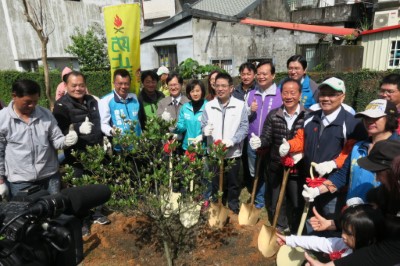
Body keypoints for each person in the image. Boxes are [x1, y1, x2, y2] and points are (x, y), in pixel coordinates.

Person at [280, 77, 367, 229]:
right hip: (310, 182)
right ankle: (310, 249)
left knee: (329, 221)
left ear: (343, 96)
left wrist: (332, 164)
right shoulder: (310, 117)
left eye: (332, 94)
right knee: (310, 219)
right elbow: (301, 140)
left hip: (333, 186)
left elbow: (351, 153)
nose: (326, 98)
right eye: (323, 94)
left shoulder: (352, 124)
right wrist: (289, 145)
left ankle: (328, 251)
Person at [305, 139, 400, 266]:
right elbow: (371, 218)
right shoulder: (382, 193)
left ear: (393, 172)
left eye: (379, 172)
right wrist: (334, 223)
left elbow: (390, 249)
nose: (376, 178)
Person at [303, 99, 399, 203]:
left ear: (390, 118)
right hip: (353, 212)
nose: (369, 120)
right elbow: (342, 176)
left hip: (383, 215)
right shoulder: (357, 147)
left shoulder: (397, 150)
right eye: (366, 117)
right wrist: (317, 191)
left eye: (375, 117)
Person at [0, 79, 78, 199]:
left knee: (54, 213)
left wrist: (66, 141)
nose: (32, 105)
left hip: (49, 177)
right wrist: (0, 181)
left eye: (35, 101)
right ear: (14, 96)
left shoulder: (45, 114)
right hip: (20, 181)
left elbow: (57, 140)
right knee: (25, 215)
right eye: (27, 102)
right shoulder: (3, 119)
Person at [53, 71, 110, 229]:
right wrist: (76, 129)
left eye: (81, 85)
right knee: (79, 187)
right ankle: (83, 219)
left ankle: (97, 213)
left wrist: (103, 139)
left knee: (97, 181)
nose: (78, 88)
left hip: (95, 149)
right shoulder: (61, 106)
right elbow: (59, 131)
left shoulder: (92, 100)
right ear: (66, 86)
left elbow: (97, 122)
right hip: (76, 155)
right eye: (74, 85)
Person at [250, 78, 306, 232]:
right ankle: (280, 225)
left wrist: (299, 153)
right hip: (276, 164)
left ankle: (296, 229)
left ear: (300, 95)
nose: (289, 96)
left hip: (298, 168)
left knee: (296, 201)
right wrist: (260, 142)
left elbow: (310, 142)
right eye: (285, 93)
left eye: (292, 93)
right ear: (281, 95)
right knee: (276, 201)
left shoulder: (308, 116)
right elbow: (267, 137)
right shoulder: (274, 115)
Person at [201, 72, 249, 214]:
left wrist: (233, 140)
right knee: (215, 181)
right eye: (217, 86)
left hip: (233, 152)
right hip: (214, 153)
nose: (220, 89)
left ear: (231, 88)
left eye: (224, 86)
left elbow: (244, 127)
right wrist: (205, 130)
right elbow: (203, 124)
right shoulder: (209, 106)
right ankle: (216, 203)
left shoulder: (240, 106)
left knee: (233, 182)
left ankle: (233, 204)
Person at [277, 203, 385, 260]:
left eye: (349, 233)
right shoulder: (345, 245)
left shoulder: (370, 260)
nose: (342, 235)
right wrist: (289, 239)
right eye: (342, 230)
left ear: (365, 235)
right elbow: (320, 243)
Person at [245, 60, 283, 210]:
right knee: (256, 171)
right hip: (253, 141)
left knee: (272, 172)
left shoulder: (280, 94)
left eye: (265, 73)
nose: (261, 76)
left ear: (273, 75)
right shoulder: (251, 94)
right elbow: (243, 118)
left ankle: (270, 199)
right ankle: (259, 198)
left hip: (273, 143)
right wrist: (249, 110)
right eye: (259, 74)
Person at [99, 69, 146, 143]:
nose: (123, 86)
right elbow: (104, 124)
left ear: (130, 83)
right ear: (114, 83)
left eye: (126, 83)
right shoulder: (105, 100)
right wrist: (112, 131)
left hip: (138, 145)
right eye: (120, 83)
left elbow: (140, 120)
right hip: (120, 146)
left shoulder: (134, 97)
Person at [232, 62, 257, 197]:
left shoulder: (258, 90)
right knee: (240, 156)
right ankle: (242, 180)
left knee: (251, 156)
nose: (246, 77)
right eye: (243, 74)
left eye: (249, 74)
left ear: (254, 75)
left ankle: (252, 182)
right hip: (238, 130)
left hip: (253, 129)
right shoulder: (235, 91)